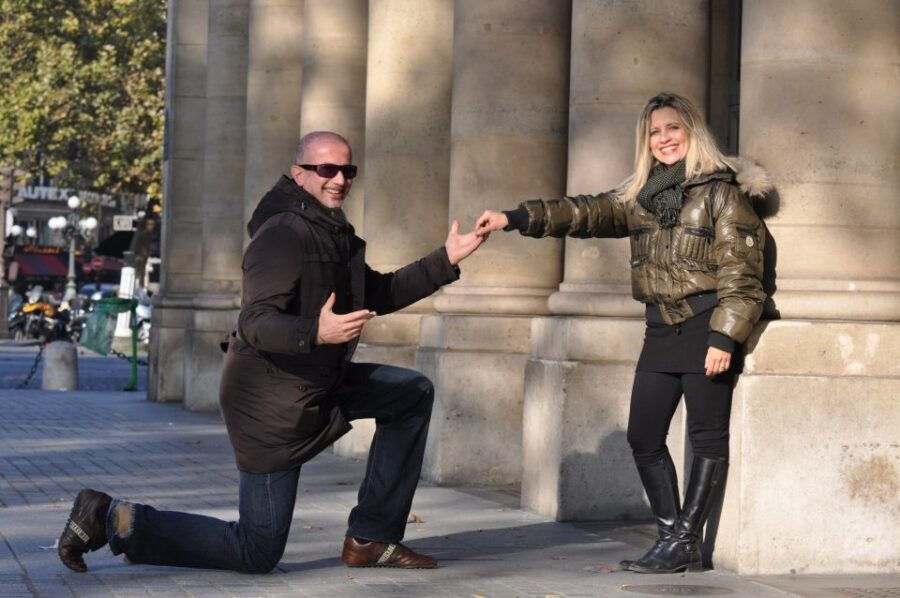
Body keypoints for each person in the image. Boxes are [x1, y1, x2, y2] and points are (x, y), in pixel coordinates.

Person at [58, 131, 486, 573]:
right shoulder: (282, 236)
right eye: (326, 169)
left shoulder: (331, 233)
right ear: (299, 175)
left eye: (347, 170)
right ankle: (110, 519)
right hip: (270, 404)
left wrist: (445, 259)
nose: (339, 179)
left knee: (410, 392)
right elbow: (256, 322)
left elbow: (376, 291)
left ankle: (372, 538)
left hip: (316, 384)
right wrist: (315, 331)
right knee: (257, 550)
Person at [475, 92, 770, 574]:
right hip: (659, 328)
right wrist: (515, 218)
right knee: (644, 435)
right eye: (654, 132)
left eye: (673, 128)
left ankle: (683, 540)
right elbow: (584, 212)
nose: (664, 140)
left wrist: (726, 337)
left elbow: (742, 272)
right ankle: (677, 538)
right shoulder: (642, 196)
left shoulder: (722, 192)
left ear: (693, 132)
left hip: (705, 323)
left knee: (707, 437)